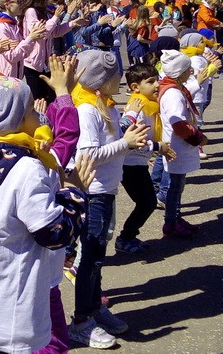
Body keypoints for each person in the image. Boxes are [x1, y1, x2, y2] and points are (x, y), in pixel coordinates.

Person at [0, 63, 93, 353]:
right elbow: (54, 233)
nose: (39, 116)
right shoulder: (26, 169)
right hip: (8, 314)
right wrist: (75, 193)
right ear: (11, 121)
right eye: (30, 111)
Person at [68, 50, 149, 348]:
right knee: (90, 257)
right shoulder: (88, 110)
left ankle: (94, 308)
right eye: (116, 76)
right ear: (101, 81)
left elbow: (113, 142)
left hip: (106, 191)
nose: (121, 79)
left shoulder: (106, 105)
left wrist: (130, 138)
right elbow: (88, 156)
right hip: (94, 193)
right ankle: (81, 320)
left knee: (98, 256)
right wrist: (125, 144)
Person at [115, 64, 176, 255]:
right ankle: (125, 238)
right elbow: (131, 140)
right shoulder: (138, 108)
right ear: (135, 87)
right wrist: (158, 147)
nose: (157, 85)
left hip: (138, 163)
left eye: (157, 80)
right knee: (147, 203)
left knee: (146, 202)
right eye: (150, 82)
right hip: (129, 165)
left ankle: (128, 236)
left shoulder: (149, 105)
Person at [158, 50, 207, 238]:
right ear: (179, 73)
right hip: (177, 145)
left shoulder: (176, 89)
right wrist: (198, 138)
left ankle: (176, 218)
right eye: (188, 69)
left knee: (178, 185)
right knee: (175, 187)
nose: (191, 71)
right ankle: (171, 222)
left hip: (178, 144)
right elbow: (178, 124)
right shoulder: (173, 94)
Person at [23, 0, 77, 103]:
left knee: (50, 97)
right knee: (39, 99)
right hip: (32, 63)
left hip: (44, 63)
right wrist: (55, 17)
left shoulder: (45, 12)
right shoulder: (31, 11)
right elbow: (41, 33)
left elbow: (55, 32)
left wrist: (73, 23)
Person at [0, 0, 44, 79]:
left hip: (16, 76)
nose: (22, 4)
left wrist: (34, 36)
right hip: (6, 77)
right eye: (19, 2)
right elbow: (12, 56)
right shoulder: (1, 27)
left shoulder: (13, 25)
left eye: (22, 1)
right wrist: (30, 38)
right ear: (7, 5)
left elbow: (23, 53)